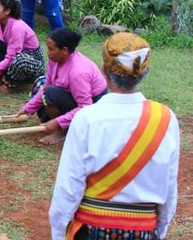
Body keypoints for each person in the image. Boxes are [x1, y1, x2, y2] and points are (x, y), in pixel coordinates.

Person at [49, 33, 179, 240]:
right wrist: (158, 231)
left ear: (104, 71)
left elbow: (69, 187)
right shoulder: (166, 118)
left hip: (92, 229)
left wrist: (58, 233)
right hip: (143, 230)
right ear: (145, 72)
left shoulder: (87, 118)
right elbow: (169, 186)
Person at [17, 28, 107, 145]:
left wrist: (58, 122)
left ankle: (62, 131)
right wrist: (28, 108)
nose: (48, 52)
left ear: (64, 50)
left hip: (94, 104)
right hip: (71, 95)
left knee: (50, 94)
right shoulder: (54, 59)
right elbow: (47, 85)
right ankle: (59, 122)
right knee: (42, 86)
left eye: (51, 49)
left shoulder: (78, 72)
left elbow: (85, 106)